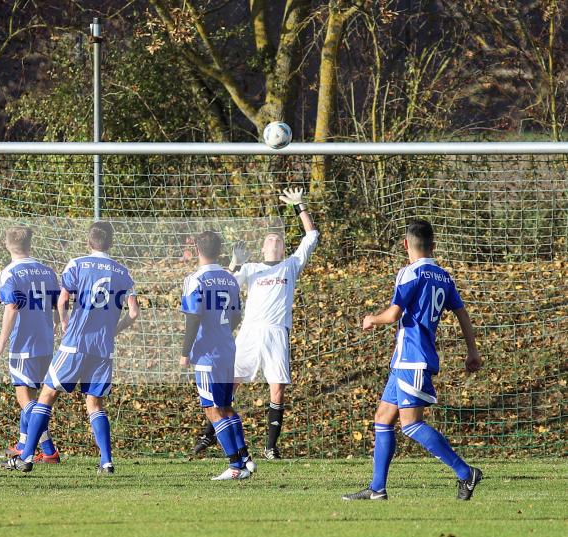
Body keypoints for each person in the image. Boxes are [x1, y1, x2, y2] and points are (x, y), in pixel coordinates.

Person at [343, 219, 483, 501]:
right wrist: (473, 350)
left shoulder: (409, 273)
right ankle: (377, 489)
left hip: (413, 359)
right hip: (405, 360)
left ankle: (465, 472)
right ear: (434, 245)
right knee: (383, 418)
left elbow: (393, 314)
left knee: (411, 425)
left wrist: (372, 319)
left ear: (406, 244)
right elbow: (462, 314)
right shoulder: (444, 276)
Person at [1, 221, 139, 474]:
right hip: (103, 348)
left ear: (89, 241)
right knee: (95, 404)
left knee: (47, 395)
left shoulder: (76, 264)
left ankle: (28, 456)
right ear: (111, 242)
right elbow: (133, 312)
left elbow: (63, 300)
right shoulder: (122, 272)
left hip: (75, 343)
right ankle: (106, 462)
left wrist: (64, 321)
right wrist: (114, 331)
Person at [191, 187, 318, 460]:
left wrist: (300, 206)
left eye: (278, 239)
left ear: (284, 248)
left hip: (276, 333)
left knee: (277, 388)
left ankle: (271, 447)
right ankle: (209, 433)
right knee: (230, 383)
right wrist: (236, 264)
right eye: (269, 238)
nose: (274, 240)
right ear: (262, 248)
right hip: (249, 333)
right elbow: (225, 285)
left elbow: (312, 236)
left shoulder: (291, 265)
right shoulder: (250, 269)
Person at [180, 231, 251, 480]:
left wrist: (184, 352)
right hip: (227, 349)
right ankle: (244, 459)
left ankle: (235, 467)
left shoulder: (195, 279)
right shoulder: (230, 280)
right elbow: (236, 316)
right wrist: (222, 333)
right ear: (220, 251)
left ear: (198, 250)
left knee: (212, 410)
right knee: (225, 406)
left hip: (207, 353)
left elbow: (193, 316)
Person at [0, 226, 61, 463]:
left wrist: (0, 343)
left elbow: (11, 307)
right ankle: (22, 443)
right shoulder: (48, 272)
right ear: (30, 245)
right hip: (46, 342)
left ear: (7, 245)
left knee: (24, 397)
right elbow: (59, 304)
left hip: (23, 343)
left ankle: (48, 450)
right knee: (35, 397)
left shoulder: (8, 273)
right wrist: (60, 325)